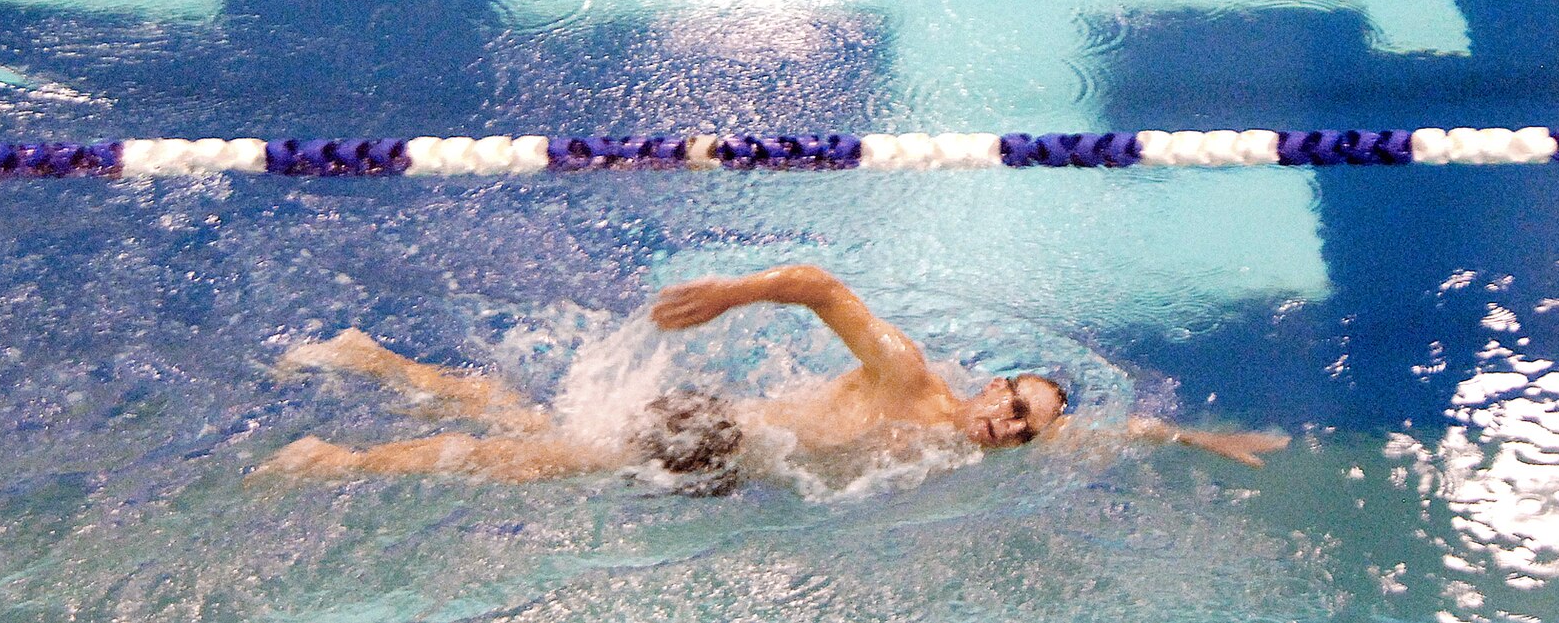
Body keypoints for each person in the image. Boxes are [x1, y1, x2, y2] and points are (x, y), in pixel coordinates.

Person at [263, 263, 1287, 488]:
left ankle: (369, 360)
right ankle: (339, 458)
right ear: (992, 388)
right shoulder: (906, 379)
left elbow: (1112, 435)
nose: (1012, 428)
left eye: (1027, 428)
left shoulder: (971, 435)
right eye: (1014, 406)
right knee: (523, 463)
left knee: (528, 423)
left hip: (727, 458)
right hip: (706, 430)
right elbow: (819, 286)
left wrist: (1198, 438)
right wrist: (730, 295)